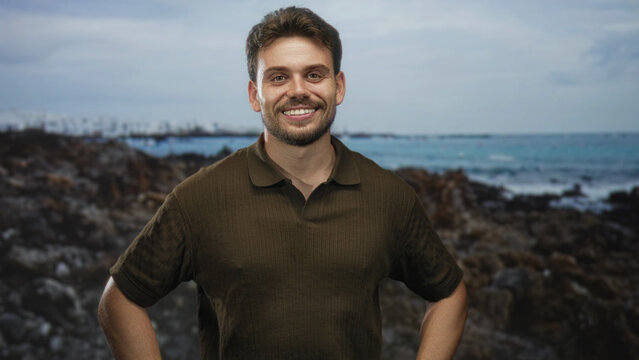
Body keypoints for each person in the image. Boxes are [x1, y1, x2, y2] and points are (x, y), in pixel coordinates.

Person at [98, 6, 467, 360]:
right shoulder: (200, 199)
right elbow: (119, 300)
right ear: (254, 95)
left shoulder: (389, 197)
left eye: (314, 74)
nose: (298, 90)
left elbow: (449, 293)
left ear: (338, 86)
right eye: (278, 77)